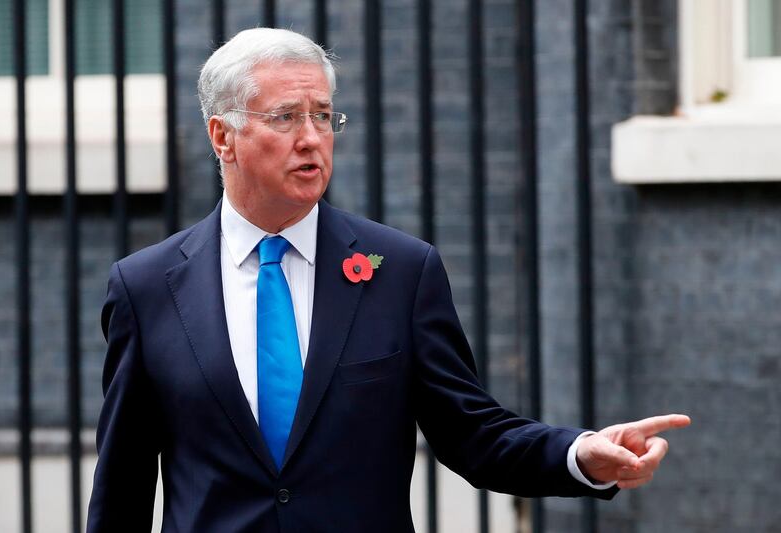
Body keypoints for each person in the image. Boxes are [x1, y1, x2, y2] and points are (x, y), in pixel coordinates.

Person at [86, 27, 690, 532]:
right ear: (224, 137)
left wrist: (579, 455)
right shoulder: (146, 288)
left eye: (324, 117)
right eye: (286, 117)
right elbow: (122, 486)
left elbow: (471, 433)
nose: (311, 139)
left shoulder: (400, 271)